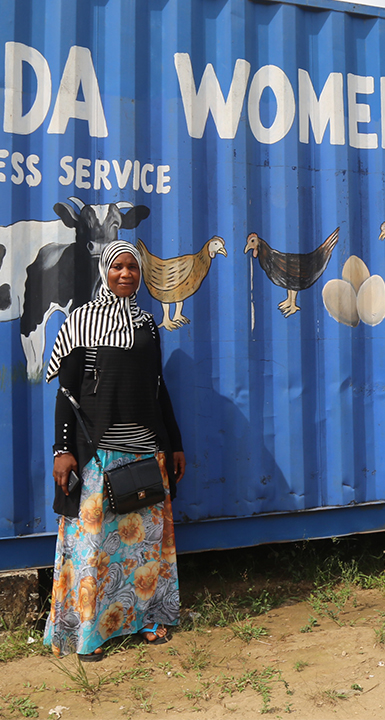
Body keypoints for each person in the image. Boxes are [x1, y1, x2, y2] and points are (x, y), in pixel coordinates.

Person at [43, 240, 186, 662]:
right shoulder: (81, 321)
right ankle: (90, 632)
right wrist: (63, 450)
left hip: (145, 452)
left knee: (145, 548)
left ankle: (146, 619)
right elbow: (66, 393)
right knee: (95, 548)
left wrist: (174, 443)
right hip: (97, 454)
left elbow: (159, 389)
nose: (126, 274)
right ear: (105, 271)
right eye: (118, 267)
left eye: (133, 268)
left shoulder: (147, 324)